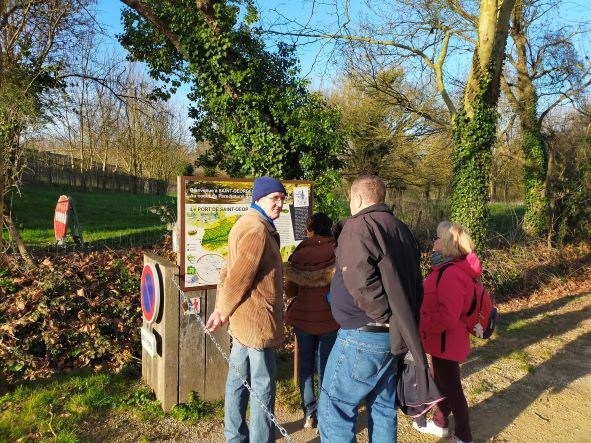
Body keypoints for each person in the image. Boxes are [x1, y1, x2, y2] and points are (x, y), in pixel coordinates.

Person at [318, 175, 424, 442]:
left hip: (363, 335)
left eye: (350, 198)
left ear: (358, 198)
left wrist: (384, 316)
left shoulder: (358, 226)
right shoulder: (401, 228)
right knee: (383, 407)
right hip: (392, 335)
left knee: (335, 407)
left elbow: (360, 279)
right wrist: (398, 322)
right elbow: (415, 282)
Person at [204, 176, 286, 443]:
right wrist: (221, 312)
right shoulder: (257, 230)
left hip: (243, 322)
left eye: (282, 198)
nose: (280, 204)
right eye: (275, 198)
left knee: (237, 381)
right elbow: (239, 277)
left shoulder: (246, 222)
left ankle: (234, 437)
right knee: (262, 386)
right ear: (259, 198)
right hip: (257, 323)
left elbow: (228, 270)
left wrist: (222, 309)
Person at [412, 221, 479, 443]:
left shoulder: (450, 273)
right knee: (442, 382)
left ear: (447, 244)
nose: (434, 241)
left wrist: (422, 321)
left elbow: (448, 315)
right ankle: (440, 422)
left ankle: (463, 436)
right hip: (444, 340)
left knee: (452, 389)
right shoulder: (446, 269)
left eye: (438, 237)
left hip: (446, 341)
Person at [284, 212, 339, 430]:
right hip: (330, 319)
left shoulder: (300, 252)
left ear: (310, 229)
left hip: (303, 319)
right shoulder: (338, 250)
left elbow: (290, 290)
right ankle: (326, 414)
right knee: (326, 366)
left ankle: (309, 413)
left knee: (305, 366)